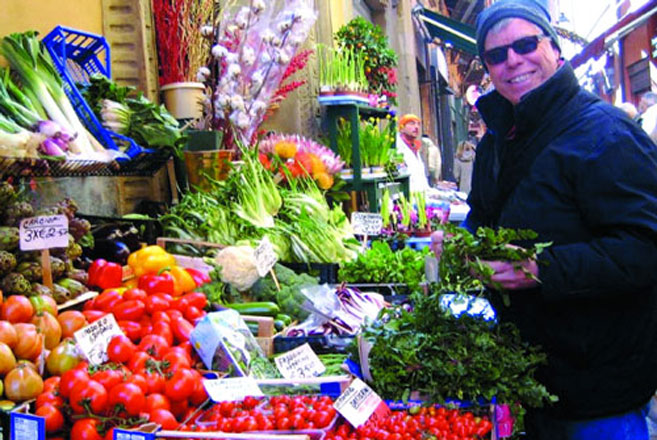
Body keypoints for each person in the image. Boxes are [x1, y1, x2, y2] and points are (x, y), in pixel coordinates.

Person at [430, 1, 657, 439]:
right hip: (530, 379)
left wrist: (540, 269)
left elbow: (646, 247)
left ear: (552, 47)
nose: (512, 60)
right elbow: (484, 216)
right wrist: (463, 245)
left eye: (525, 44)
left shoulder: (605, 133)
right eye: (497, 54)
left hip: (598, 390)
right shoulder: (496, 140)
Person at [396, 114, 430, 192]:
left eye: (418, 124)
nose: (416, 127)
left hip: (422, 195)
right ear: (402, 128)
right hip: (406, 195)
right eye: (412, 123)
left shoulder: (415, 147)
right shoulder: (397, 148)